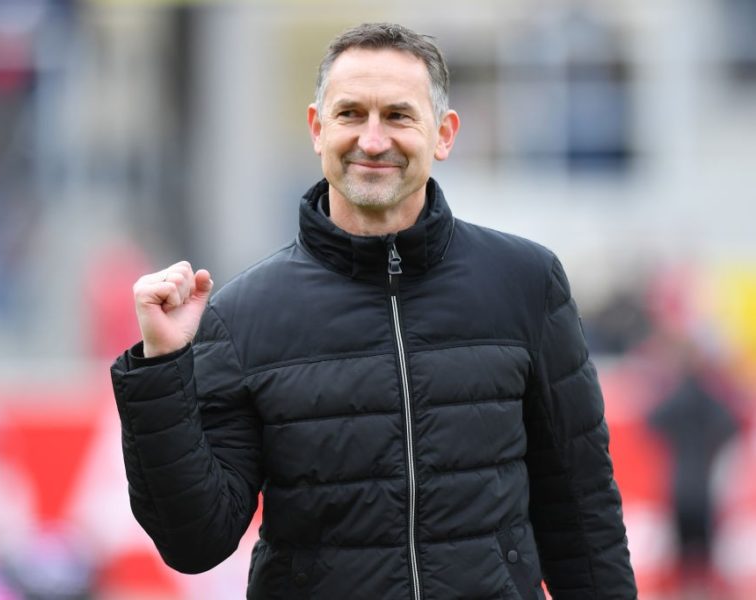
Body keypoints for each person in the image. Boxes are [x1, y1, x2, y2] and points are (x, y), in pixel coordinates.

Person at [110, 22, 637, 599]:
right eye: (351, 114)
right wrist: (163, 366)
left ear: (444, 133)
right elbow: (196, 542)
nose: (373, 139)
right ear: (317, 128)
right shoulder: (242, 315)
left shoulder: (525, 282)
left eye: (398, 116)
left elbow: (582, 512)